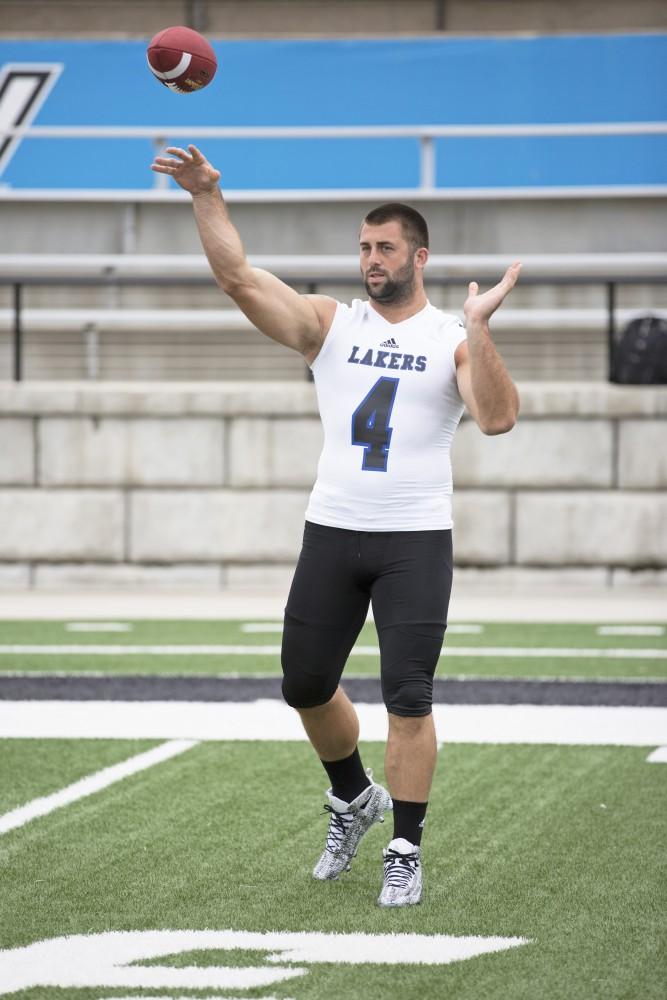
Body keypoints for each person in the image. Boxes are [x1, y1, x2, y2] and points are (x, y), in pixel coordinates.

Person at [152, 144, 521, 908]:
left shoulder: (451, 335)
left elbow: (497, 417)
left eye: (385, 247)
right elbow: (237, 278)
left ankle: (404, 847)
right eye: (363, 246)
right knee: (305, 683)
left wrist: (481, 328)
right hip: (332, 529)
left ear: (419, 256)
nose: (371, 258)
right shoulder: (330, 325)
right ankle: (354, 797)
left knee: (407, 693)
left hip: (413, 539)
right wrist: (205, 196)